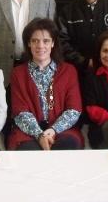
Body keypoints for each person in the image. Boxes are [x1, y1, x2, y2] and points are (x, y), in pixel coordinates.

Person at [8, 18, 83, 150]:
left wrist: (53, 130)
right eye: (35, 41)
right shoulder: (17, 73)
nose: (40, 46)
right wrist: (39, 135)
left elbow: (74, 110)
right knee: (28, 151)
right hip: (28, 133)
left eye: (46, 41)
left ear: (53, 43)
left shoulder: (69, 71)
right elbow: (20, 113)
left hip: (62, 130)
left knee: (69, 145)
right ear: (28, 44)